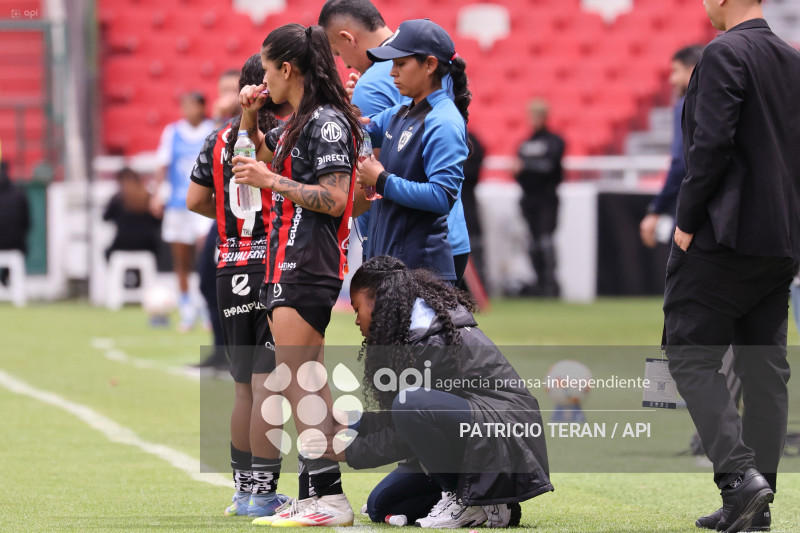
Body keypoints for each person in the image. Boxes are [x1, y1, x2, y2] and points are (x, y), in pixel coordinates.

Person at [663, 1, 800, 531]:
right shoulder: (791, 60)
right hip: (780, 240)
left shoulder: (723, 53)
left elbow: (710, 145)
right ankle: (756, 507)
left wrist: (687, 220)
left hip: (724, 235)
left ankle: (740, 480)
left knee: (690, 354)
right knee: (764, 371)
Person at [303, 255, 553, 528]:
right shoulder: (415, 333)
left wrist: (350, 451)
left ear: (377, 303)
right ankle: (492, 503)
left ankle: (474, 502)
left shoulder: (432, 341)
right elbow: (413, 419)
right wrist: (356, 423)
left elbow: (410, 423)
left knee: (410, 402)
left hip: (505, 439)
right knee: (381, 506)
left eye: (356, 308)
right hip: (481, 433)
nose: (355, 319)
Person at [231, 23, 362, 527]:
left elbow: (334, 198)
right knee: (306, 383)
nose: (263, 80)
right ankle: (320, 498)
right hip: (287, 261)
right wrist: (248, 117)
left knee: (298, 384)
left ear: (288, 68)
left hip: (305, 263)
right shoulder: (300, 121)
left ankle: (328, 500)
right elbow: (261, 156)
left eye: (266, 68)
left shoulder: (326, 121)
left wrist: (271, 181)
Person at [187, 54, 292, 518]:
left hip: (229, 267)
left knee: (243, 388)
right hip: (270, 267)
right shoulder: (278, 135)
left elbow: (194, 200)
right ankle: (264, 493)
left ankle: (243, 492)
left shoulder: (217, 138)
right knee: (270, 384)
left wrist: (231, 223)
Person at [318, 1, 472, 283]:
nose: (391, 72)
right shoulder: (406, 109)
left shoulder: (442, 119)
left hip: (421, 257)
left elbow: (441, 196)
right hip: (404, 249)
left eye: (400, 64)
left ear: (429, 65)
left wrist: (382, 180)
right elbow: (362, 129)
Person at [151, 91, 215, 331]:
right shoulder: (172, 132)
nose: (188, 111)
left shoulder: (212, 129)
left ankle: (206, 304)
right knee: (180, 258)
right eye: (184, 106)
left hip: (203, 204)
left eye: (192, 105)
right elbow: (162, 164)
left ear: (201, 107)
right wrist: (158, 193)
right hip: (178, 204)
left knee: (205, 255)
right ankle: (186, 307)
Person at [639, 45, 704, 248]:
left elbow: (680, 164)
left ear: (692, 69)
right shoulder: (723, 103)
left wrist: (656, 210)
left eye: (675, 71)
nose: (671, 79)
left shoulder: (686, 104)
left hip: (693, 215)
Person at [514, 99, 565, 298]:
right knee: (533, 243)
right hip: (529, 200)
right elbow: (518, 172)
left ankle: (551, 284)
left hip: (547, 200)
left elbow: (550, 167)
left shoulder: (554, 141)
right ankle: (539, 282)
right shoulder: (525, 143)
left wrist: (525, 167)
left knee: (545, 241)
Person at [103, 167, 162, 262]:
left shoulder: (117, 199)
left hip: (122, 244)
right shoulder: (148, 197)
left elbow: (105, 217)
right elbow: (158, 221)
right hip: (147, 245)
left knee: (107, 253)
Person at [0, 157, 30, 287]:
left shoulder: (18, 194)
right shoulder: (19, 194)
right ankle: (6, 275)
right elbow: (27, 224)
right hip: (16, 244)